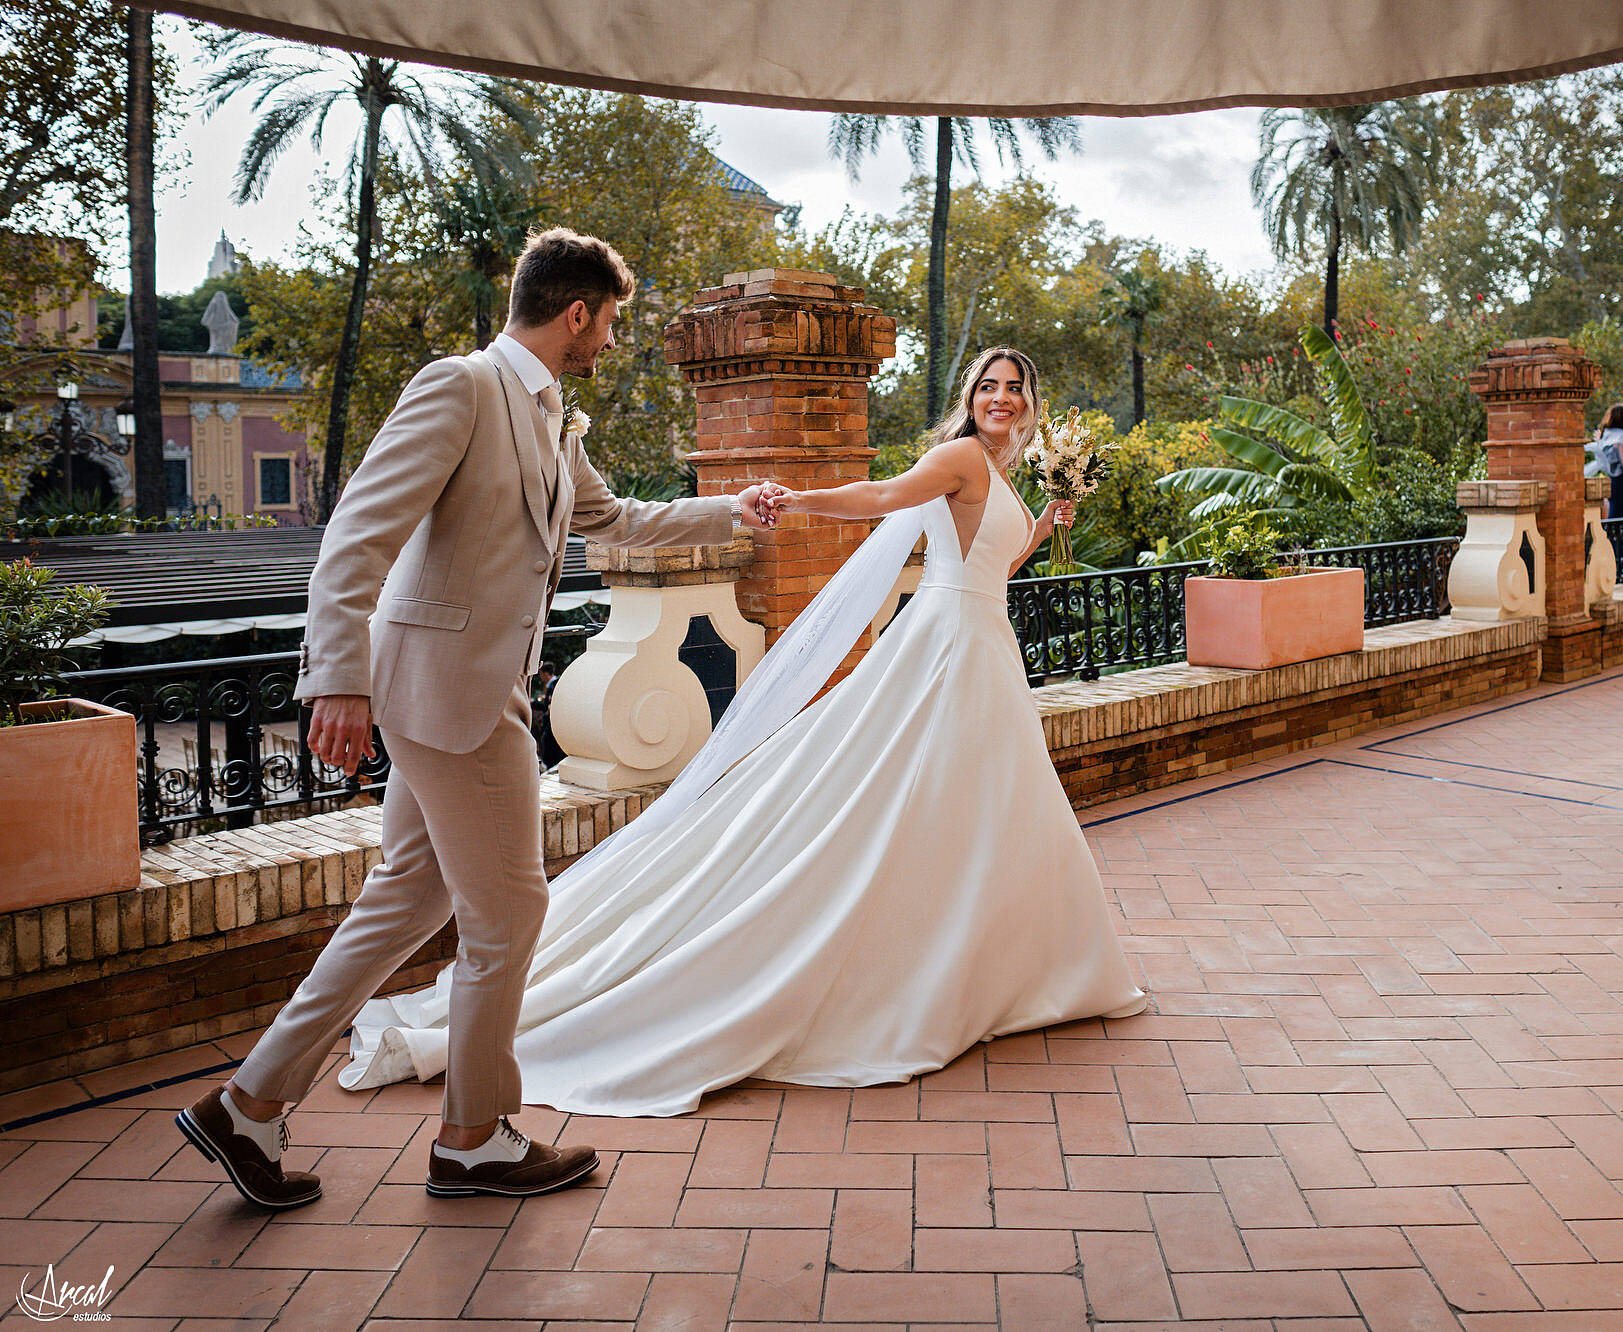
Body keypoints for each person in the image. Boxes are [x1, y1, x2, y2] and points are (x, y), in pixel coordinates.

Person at [328, 345, 1146, 1121]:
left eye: (1013, 389)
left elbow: (987, 568)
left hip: (982, 646)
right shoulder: (964, 457)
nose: (999, 399)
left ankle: (986, 967)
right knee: (913, 803)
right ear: (971, 399)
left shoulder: (998, 475)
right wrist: (801, 500)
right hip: (950, 651)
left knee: (979, 809)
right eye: (987, 387)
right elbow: (880, 496)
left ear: (1031, 405)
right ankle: (937, 974)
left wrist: (1041, 526)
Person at [174, 228, 785, 1209]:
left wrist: (732, 515)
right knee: (511, 910)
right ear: (576, 312)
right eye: (610, 322)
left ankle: (246, 1105)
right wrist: (337, 678)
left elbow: (615, 519)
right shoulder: (461, 386)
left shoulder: (550, 419)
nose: (610, 342)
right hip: (449, 698)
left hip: (455, 695)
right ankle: (471, 1137)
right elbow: (357, 534)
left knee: (404, 903)